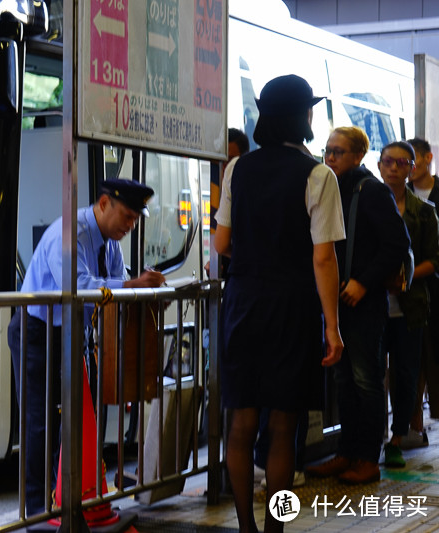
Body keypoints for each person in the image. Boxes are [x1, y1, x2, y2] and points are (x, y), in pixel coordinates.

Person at [214, 74, 344, 533]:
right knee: (284, 429)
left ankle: (246, 528)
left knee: (241, 423)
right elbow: (323, 257)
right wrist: (332, 326)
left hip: (243, 301)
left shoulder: (237, 169)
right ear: (301, 116)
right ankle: (275, 531)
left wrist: (255, 253)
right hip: (292, 304)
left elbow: (222, 241)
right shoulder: (318, 174)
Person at [6, 178, 165, 516]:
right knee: (40, 422)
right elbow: (78, 287)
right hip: (37, 330)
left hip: (71, 333)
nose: (130, 226)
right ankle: (36, 510)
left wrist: (145, 292)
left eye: (135, 220)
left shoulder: (109, 243)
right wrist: (133, 285)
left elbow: (118, 286)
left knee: (73, 419)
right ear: (104, 204)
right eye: (126, 216)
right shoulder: (71, 233)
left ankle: (66, 499)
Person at [306, 126, 410, 484]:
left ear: (358, 156)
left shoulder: (371, 191)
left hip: (363, 304)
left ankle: (368, 458)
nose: (329, 158)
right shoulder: (330, 187)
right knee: (344, 381)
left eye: (337, 152)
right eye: (327, 151)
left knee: (366, 381)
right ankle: (346, 453)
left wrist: (363, 281)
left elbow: (397, 243)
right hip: (335, 302)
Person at [379, 141, 439, 467]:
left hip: (410, 305)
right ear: (378, 164)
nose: (393, 168)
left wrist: (405, 276)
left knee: (405, 374)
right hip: (371, 303)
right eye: (388, 161)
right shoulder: (366, 204)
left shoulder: (425, 213)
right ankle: (364, 440)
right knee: (372, 374)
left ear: (412, 168)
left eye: (401, 163)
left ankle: (397, 437)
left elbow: (435, 260)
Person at [406, 137, 439, 446]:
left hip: (433, 286)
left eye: (414, 160)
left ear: (428, 158)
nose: (409, 168)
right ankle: (414, 423)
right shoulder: (396, 197)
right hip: (409, 294)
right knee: (412, 360)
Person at [207, 127, 249, 279]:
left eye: (230, 161)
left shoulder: (247, 195)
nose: (224, 167)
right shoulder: (216, 189)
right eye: (221, 161)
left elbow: (223, 244)